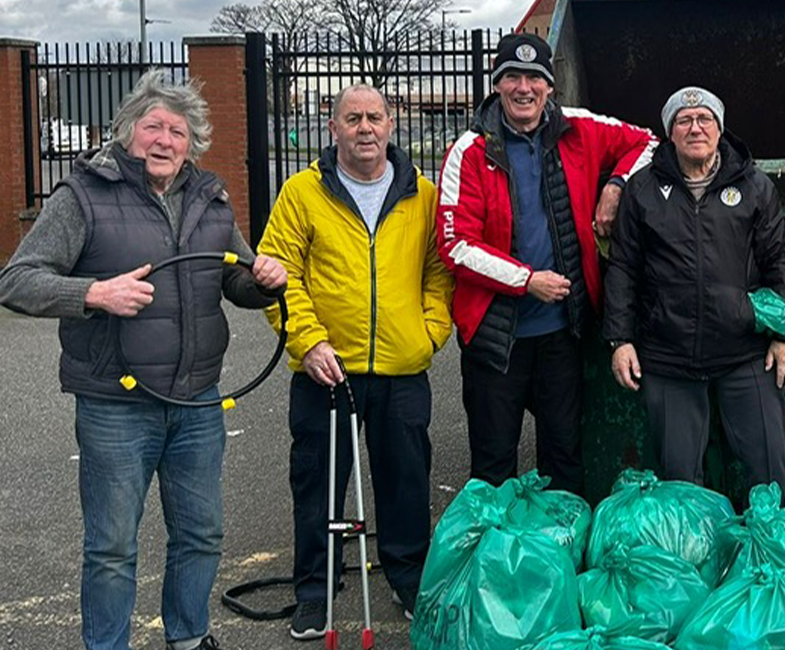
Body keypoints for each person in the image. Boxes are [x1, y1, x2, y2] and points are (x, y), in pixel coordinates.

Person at [0, 70, 286, 650]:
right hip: (115, 405)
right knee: (111, 547)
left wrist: (264, 280)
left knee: (202, 533)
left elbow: (234, 277)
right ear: (128, 131)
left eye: (178, 132)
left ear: (192, 143)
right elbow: (17, 280)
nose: (165, 140)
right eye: (154, 126)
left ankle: (189, 636)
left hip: (198, 402)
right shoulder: (82, 196)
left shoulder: (210, 198)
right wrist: (93, 293)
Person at [257, 83, 454, 640]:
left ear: (391, 125)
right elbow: (279, 274)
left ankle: (408, 579)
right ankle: (315, 592)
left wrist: (429, 333)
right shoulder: (302, 193)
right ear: (333, 128)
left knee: (407, 482)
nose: (365, 128)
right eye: (353, 119)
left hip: (402, 368)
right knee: (317, 485)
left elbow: (440, 271)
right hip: (325, 371)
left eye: (374, 117)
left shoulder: (422, 194)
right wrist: (308, 342)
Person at [437, 33, 656, 496]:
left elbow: (649, 142)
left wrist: (616, 185)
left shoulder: (579, 127)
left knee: (563, 460)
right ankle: (497, 544)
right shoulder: (469, 151)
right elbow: (455, 245)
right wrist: (526, 280)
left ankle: (559, 541)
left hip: (562, 334)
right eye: (512, 77)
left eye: (534, 78)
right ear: (497, 85)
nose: (524, 88)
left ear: (550, 87)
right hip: (496, 339)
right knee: (493, 468)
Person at [604, 86, 785, 498]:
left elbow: (779, 261)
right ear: (670, 133)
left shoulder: (754, 186)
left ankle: (765, 539)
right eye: (684, 120)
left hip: (745, 351)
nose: (695, 128)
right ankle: (694, 543)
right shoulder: (642, 189)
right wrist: (620, 340)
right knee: (680, 486)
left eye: (705, 119)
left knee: (768, 473)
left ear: (720, 128)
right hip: (669, 355)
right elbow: (623, 267)